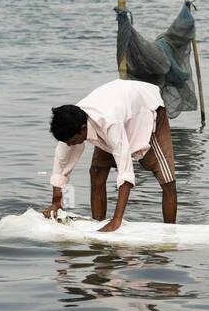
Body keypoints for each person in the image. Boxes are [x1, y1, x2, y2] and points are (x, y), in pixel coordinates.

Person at [43, 78, 177, 232]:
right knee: (97, 171)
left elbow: (126, 173)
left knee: (167, 180)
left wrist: (116, 221)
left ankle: (170, 232)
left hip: (146, 108)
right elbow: (60, 166)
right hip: (118, 109)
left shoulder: (109, 124)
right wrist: (56, 203)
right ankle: (98, 222)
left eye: (73, 141)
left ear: (82, 128)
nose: (70, 145)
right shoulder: (69, 126)